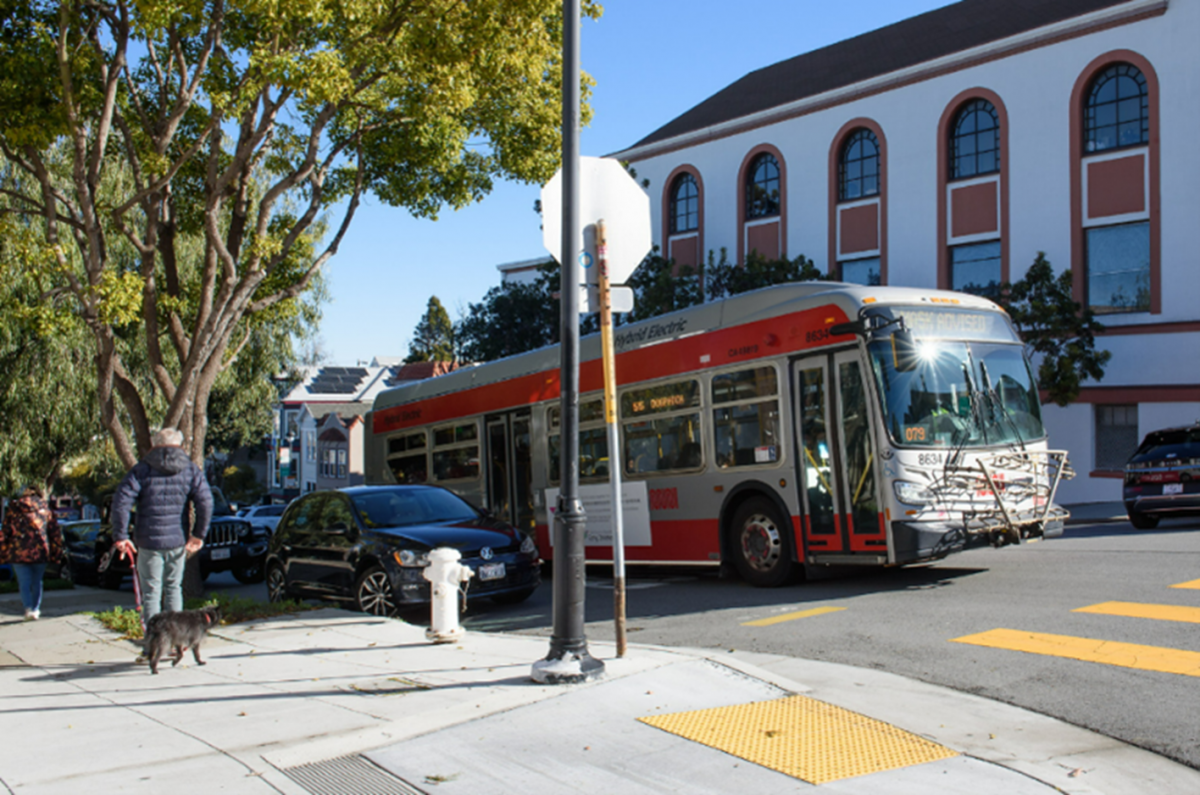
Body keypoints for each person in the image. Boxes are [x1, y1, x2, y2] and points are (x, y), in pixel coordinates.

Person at [110, 428, 213, 625]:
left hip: (148, 541)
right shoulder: (190, 470)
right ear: (180, 445)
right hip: (177, 540)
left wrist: (121, 536)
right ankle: (176, 639)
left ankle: (154, 642)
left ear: (154, 445)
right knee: (174, 588)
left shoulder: (142, 470)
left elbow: (121, 501)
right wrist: (198, 534)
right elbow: (206, 502)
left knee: (151, 593)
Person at [0, 486, 64, 620]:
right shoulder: (46, 511)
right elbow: (55, 533)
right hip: (40, 551)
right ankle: (35, 609)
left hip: (18, 552)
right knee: (37, 581)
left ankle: (28, 608)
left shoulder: (14, 510)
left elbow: (5, 532)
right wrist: (56, 552)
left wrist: (4, 550)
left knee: (24, 582)